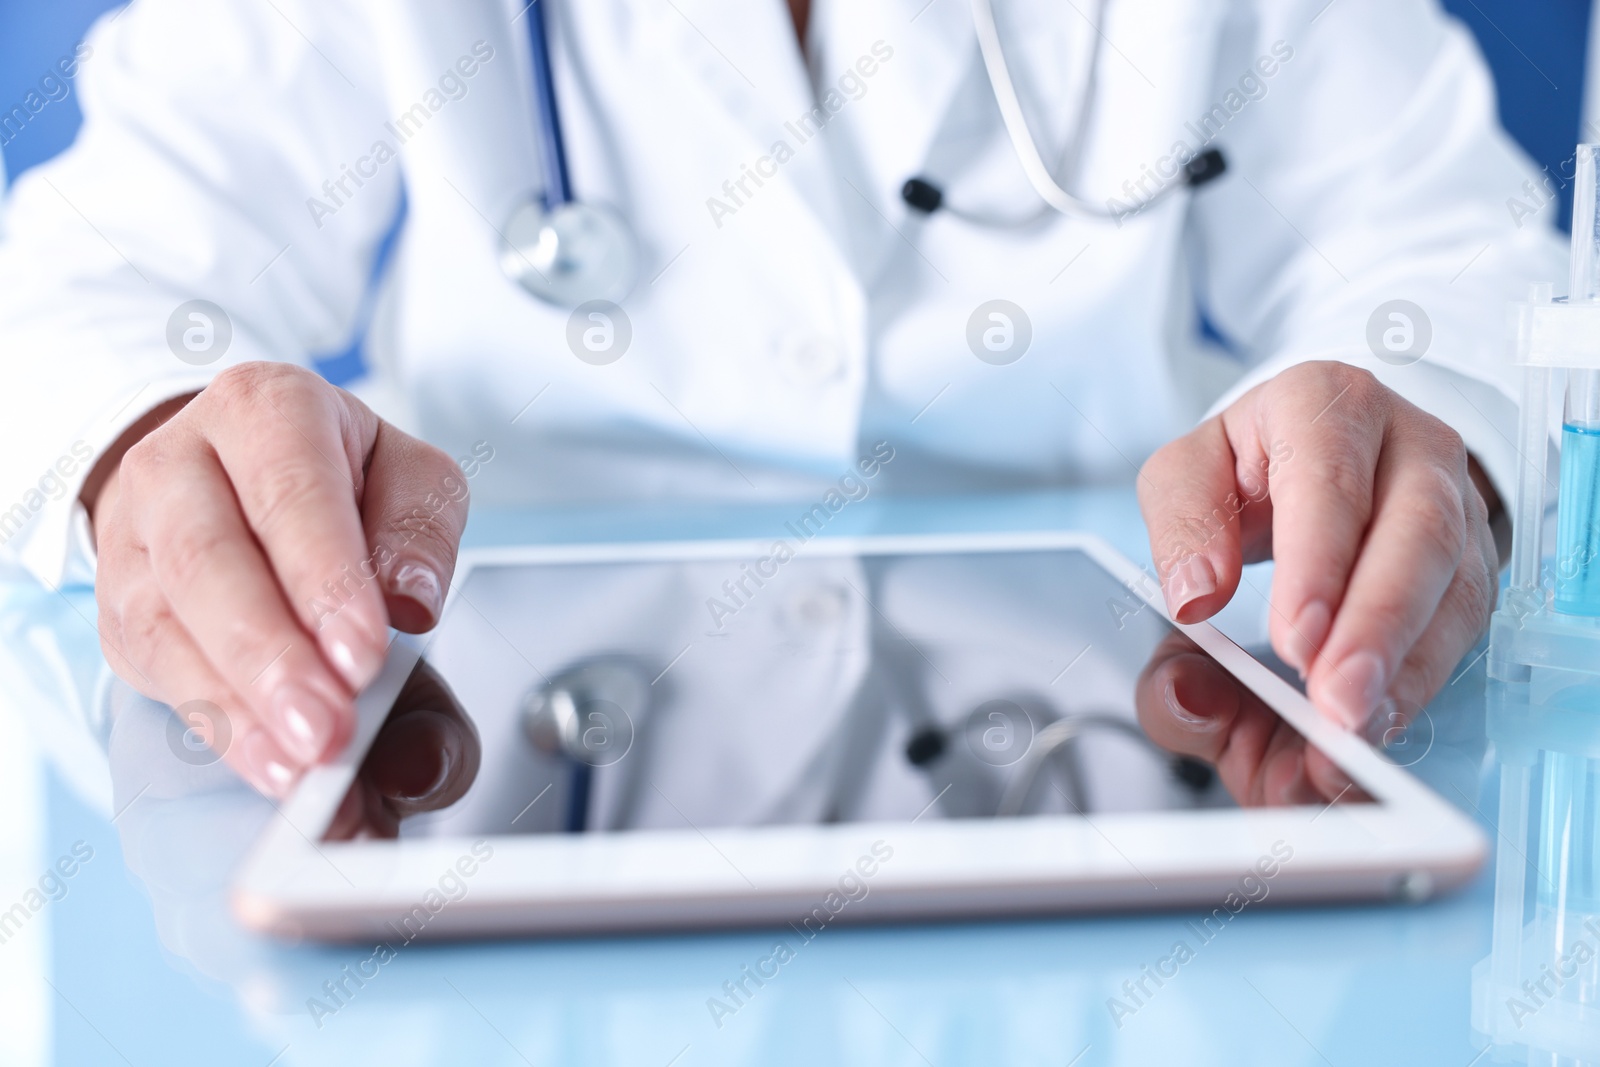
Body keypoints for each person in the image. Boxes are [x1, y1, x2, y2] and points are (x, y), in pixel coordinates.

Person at [0, 0, 1558, 799]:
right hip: (489, 725)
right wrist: (152, 436)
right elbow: (89, 280)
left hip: (1140, 706)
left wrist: (1418, 408)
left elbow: (1429, 237)